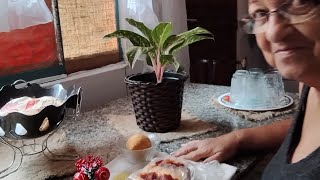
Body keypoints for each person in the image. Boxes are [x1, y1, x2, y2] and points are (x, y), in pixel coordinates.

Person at [173, 0, 320, 178]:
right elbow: (300, 125)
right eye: (260, 13)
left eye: (300, 3)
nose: (274, 33)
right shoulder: (309, 84)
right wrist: (237, 139)